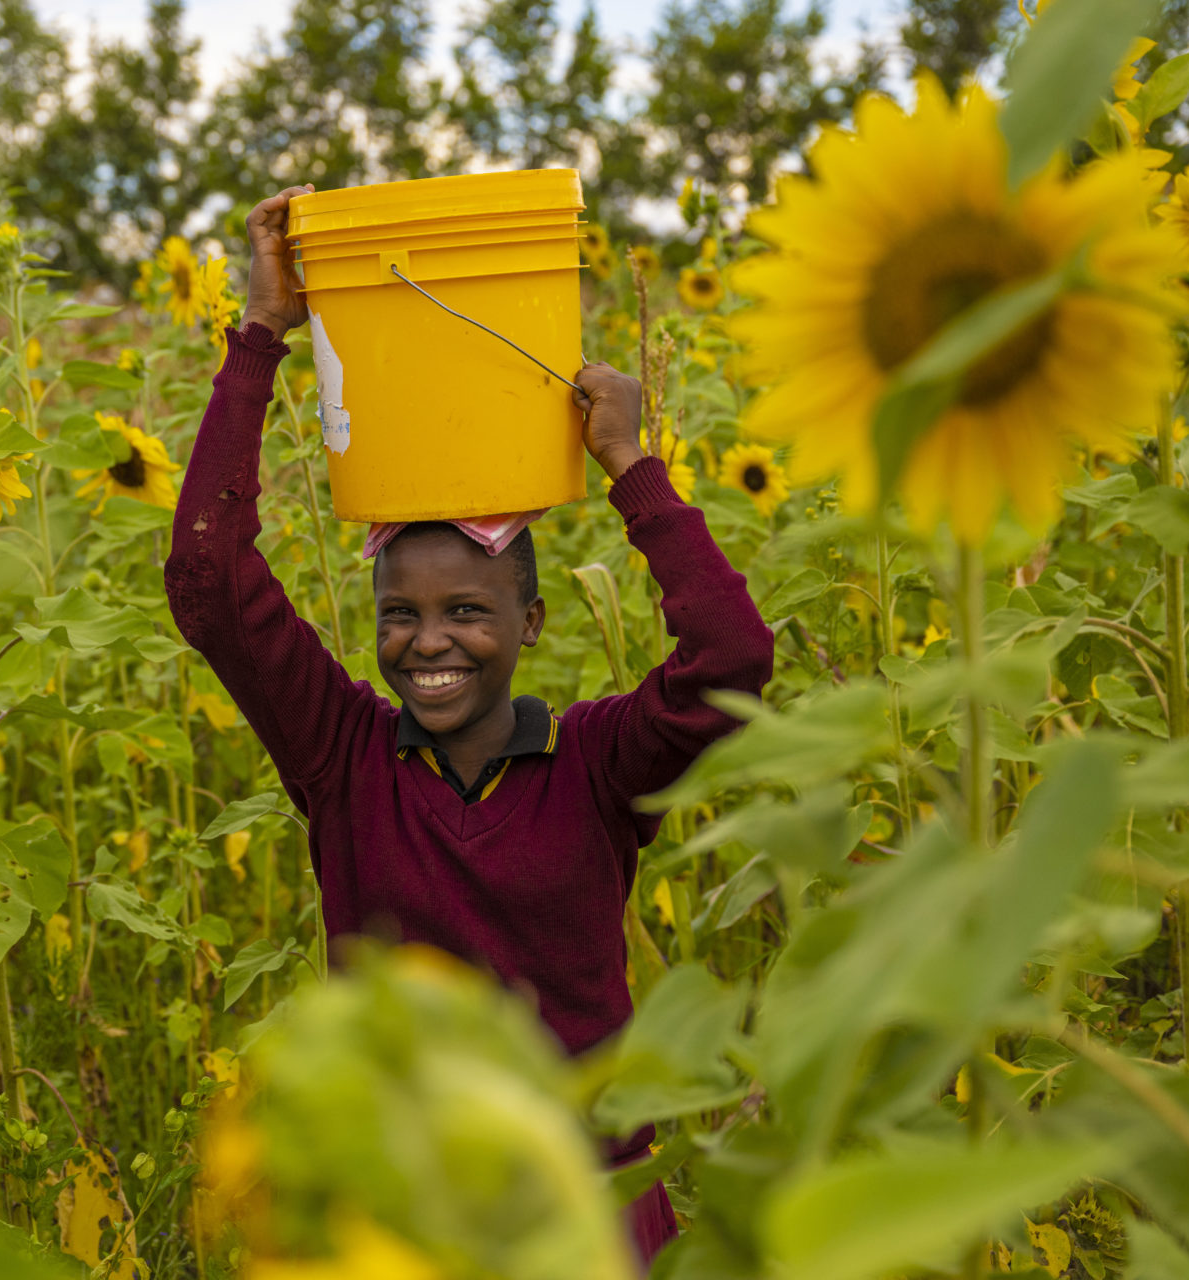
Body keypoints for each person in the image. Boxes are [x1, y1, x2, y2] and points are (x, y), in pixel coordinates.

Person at [164, 185, 775, 1268]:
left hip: (582, 1214)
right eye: (400, 613)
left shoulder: (592, 763)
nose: (428, 641)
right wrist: (261, 331)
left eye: (467, 612)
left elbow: (731, 661)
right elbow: (209, 579)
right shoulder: (343, 758)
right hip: (404, 1219)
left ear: (529, 621)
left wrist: (631, 466)